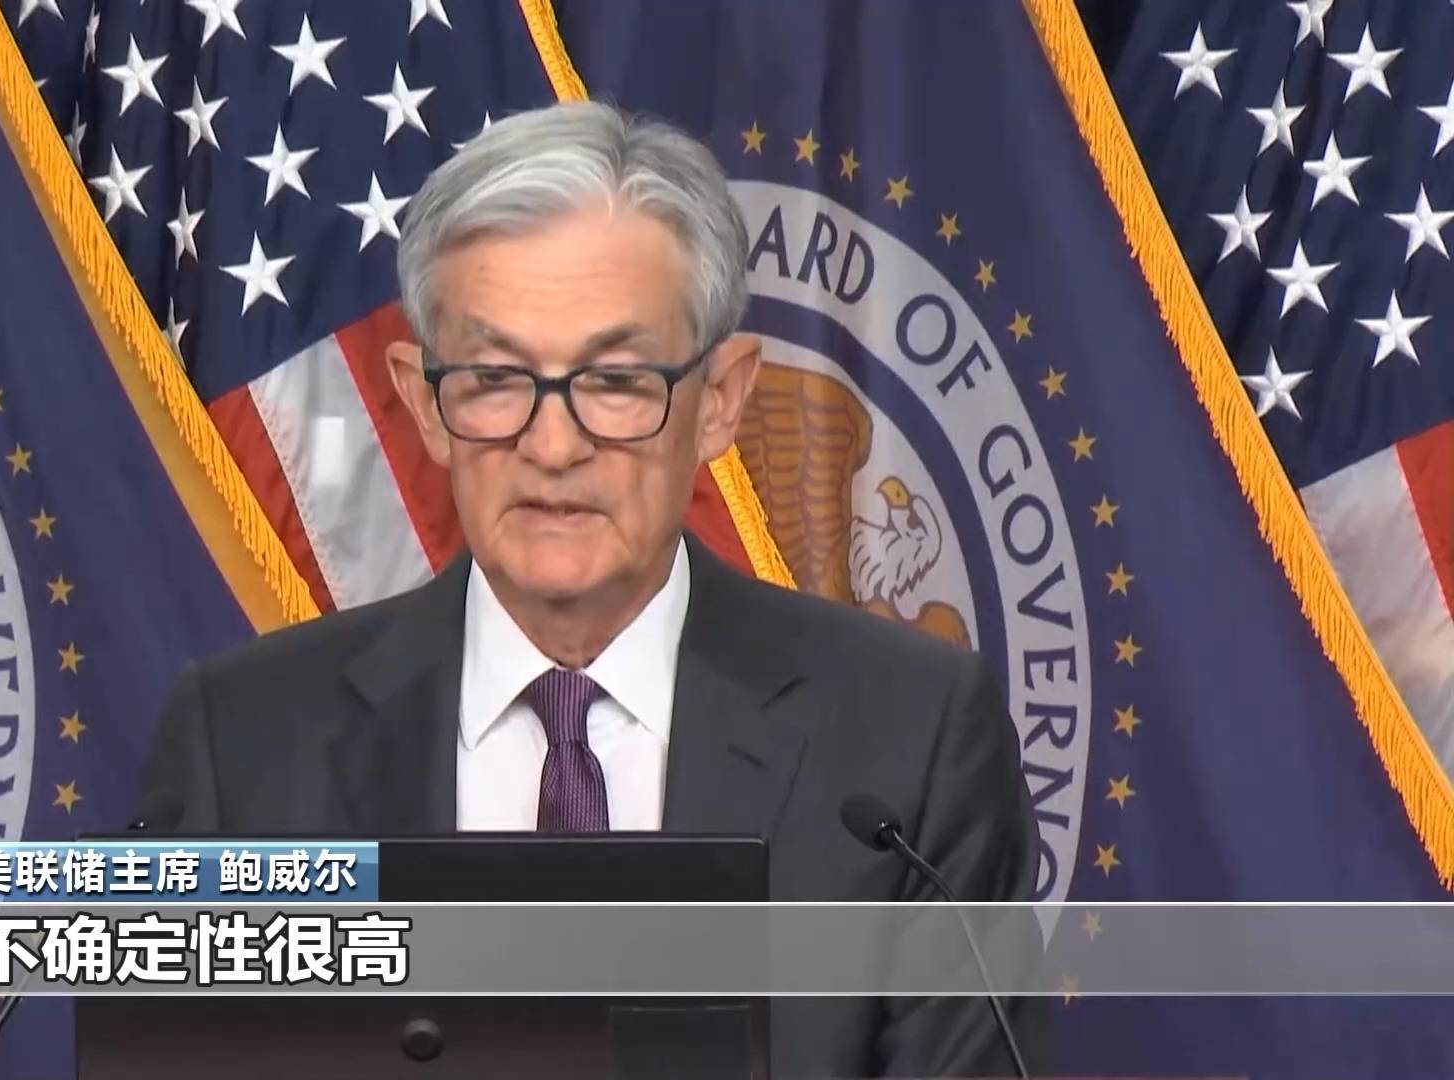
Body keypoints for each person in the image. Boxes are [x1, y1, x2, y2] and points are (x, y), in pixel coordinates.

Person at [140, 100, 1040, 1076]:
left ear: (721, 400)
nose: (553, 445)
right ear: (424, 403)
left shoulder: (909, 744)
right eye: (495, 378)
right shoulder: (242, 748)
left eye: (614, 382)